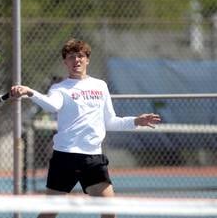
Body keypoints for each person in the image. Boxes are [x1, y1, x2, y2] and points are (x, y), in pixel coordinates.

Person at [10, 38, 161, 218]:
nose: (76, 61)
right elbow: (52, 106)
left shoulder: (100, 86)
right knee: (49, 214)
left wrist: (136, 121)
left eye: (80, 56)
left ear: (87, 59)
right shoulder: (59, 88)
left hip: (93, 159)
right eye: (71, 57)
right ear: (65, 62)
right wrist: (30, 92)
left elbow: (110, 122)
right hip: (65, 158)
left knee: (109, 212)